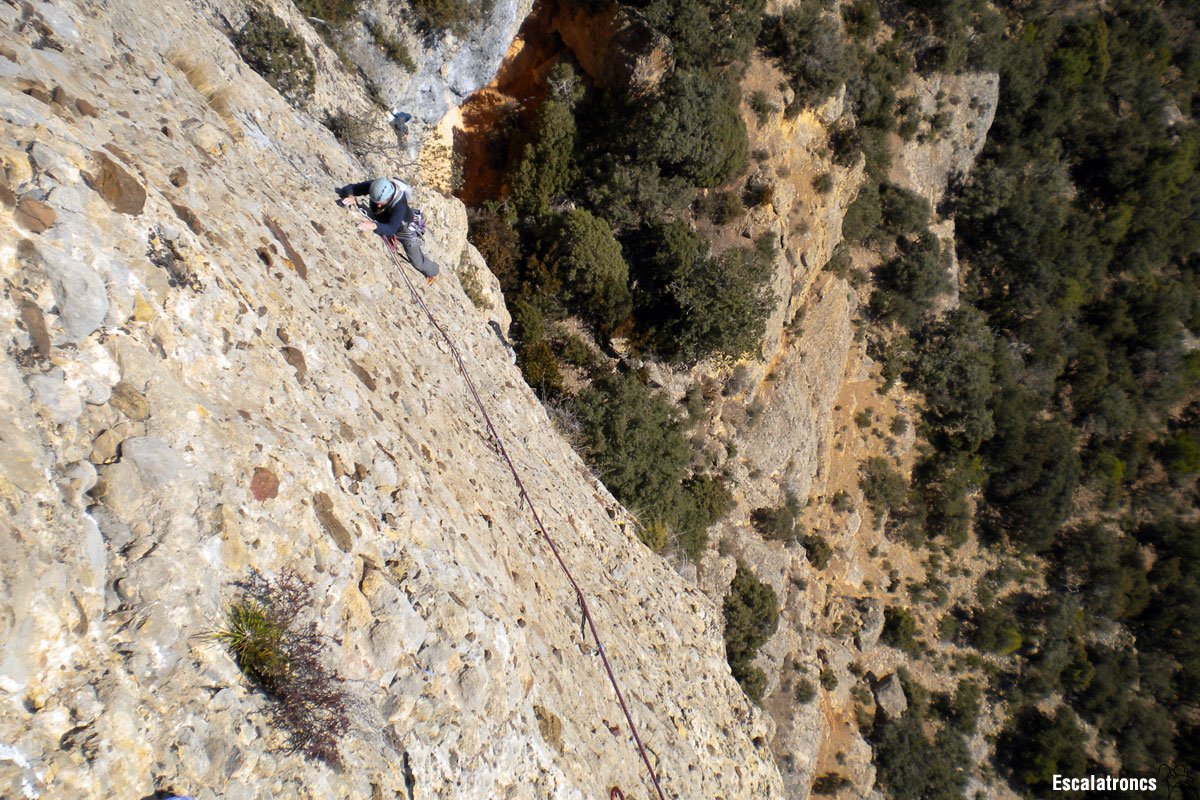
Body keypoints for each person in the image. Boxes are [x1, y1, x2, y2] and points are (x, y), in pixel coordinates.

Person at [336, 177, 439, 285]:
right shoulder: (375, 186)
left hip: (404, 230)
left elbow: (391, 228)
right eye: (376, 202)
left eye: (381, 202)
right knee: (377, 214)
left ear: (390, 197)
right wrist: (350, 196)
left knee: (418, 263)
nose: (378, 205)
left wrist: (375, 226)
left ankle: (434, 270)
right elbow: (350, 188)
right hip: (386, 219)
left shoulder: (400, 205)